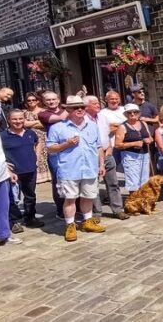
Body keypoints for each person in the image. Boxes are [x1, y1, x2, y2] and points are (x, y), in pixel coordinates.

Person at [46, 96, 106, 242]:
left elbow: (98, 146)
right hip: (69, 169)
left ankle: (87, 221)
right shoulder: (58, 127)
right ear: (68, 109)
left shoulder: (92, 125)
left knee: (88, 196)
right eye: (75, 107)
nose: (80, 109)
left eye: (82, 107)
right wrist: (66, 144)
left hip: (90, 168)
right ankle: (70, 225)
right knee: (70, 198)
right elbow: (50, 148)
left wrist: (102, 164)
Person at [1, 110, 45, 232]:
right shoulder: (2, 136)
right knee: (12, 198)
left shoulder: (30, 133)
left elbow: (38, 142)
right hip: (12, 173)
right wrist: (4, 164)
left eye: (20, 118)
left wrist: (37, 156)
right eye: (14, 119)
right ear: (9, 120)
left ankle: (30, 218)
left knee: (30, 195)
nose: (18, 121)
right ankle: (14, 221)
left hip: (30, 170)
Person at [39, 91, 68, 218]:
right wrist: (71, 107)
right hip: (55, 150)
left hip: (69, 147)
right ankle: (60, 210)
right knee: (58, 179)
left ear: (58, 99)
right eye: (48, 100)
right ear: (44, 102)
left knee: (72, 178)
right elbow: (61, 118)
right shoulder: (43, 114)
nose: (51, 102)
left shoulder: (64, 109)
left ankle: (74, 206)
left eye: (54, 99)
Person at [114, 104, 153, 193]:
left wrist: (149, 140)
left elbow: (150, 137)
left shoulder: (143, 123)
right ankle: (134, 203)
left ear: (138, 113)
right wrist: (134, 143)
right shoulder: (122, 127)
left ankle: (142, 202)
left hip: (144, 155)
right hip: (130, 156)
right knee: (133, 183)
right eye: (129, 112)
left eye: (135, 112)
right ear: (126, 114)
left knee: (144, 181)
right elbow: (117, 145)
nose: (132, 114)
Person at [0, 131, 23, 252]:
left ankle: (3, 235)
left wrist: (8, 171)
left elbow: (0, 156)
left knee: (3, 208)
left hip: (1, 177)